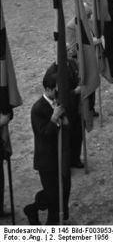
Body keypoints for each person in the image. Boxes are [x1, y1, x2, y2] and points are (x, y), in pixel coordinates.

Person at [24, 71, 71, 225]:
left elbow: (64, 128)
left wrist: (65, 122)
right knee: (53, 195)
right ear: (49, 89)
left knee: (63, 189)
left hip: (60, 155)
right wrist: (54, 117)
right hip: (47, 159)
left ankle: (53, 218)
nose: (59, 93)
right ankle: (36, 211)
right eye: (56, 90)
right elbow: (43, 134)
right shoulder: (38, 108)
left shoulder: (57, 103)